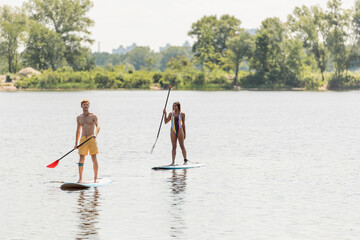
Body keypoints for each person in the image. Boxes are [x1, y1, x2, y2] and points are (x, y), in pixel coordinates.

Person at [74, 99, 100, 183]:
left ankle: (95, 178)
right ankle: (80, 179)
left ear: (89, 106)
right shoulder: (79, 117)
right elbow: (78, 130)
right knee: (81, 159)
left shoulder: (93, 116)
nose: (85, 106)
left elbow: (98, 126)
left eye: (87, 104)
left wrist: (95, 134)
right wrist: (76, 143)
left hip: (91, 138)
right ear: (81, 106)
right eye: (84, 105)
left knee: (93, 157)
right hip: (83, 139)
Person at [163, 101, 188, 165]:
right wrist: (165, 114)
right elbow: (165, 122)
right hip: (173, 130)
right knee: (174, 147)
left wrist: (185, 133)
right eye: (173, 106)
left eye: (175, 106)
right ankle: (173, 162)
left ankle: (185, 161)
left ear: (178, 106)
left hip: (180, 130)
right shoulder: (171, 114)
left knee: (182, 146)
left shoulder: (182, 114)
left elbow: (184, 124)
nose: (174, 107)